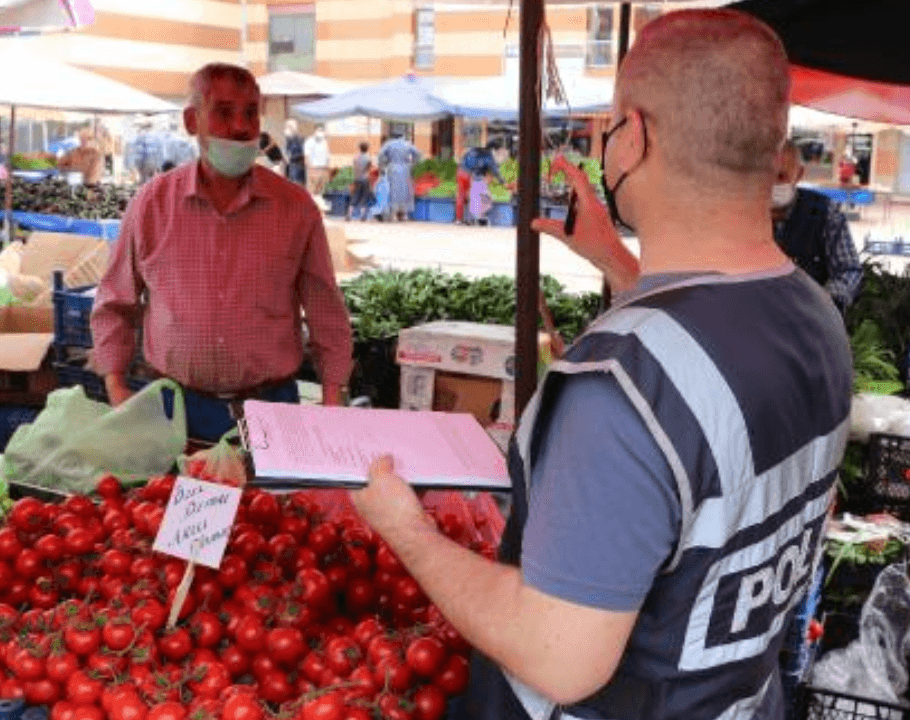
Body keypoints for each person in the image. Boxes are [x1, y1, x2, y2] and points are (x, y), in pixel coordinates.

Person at [350, 9, 853, 720]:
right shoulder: (813, 314)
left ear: (635, 138)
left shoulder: (619, 392)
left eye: (612, 127)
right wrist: (618, 263)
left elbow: (561, 658)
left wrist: (407, 531)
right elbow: (712, 365)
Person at [91, 62, 353, 441]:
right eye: (224, 112)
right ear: (191, 120)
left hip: (271, 408)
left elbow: (325, 308)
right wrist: (116, 386)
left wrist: (332, 398)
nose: (242, 127)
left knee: (269, 503)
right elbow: (115, 302)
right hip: (174, 409)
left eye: (251, 113)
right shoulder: (151, 204)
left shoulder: (296, 208)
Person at [772, 140, 864, 313]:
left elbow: (849, 270)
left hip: (809, 319)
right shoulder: (744, 212)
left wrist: (824, 302)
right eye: (766, 176)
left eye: (781, 177)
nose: (772, 185)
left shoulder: (825, 211)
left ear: (798, 175)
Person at [457, 140, 505, 224]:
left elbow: (463, 160)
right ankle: (474, 217)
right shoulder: (488, 155)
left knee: (464, 196)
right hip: (472, 176)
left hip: (462, 172)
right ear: (493, 149)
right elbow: (494, 169)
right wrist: (502, 181)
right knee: (478, 196)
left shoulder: (472, 151)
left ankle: (461, 219)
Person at [378, 133, 422, 222]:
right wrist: (413, 163)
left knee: (392, 191)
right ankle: (403, 214)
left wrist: (384, 164)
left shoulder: (389, 144)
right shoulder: (407, 143)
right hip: (405, 168)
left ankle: (392, 214)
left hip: (392, 168)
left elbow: (380, 155)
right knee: (405, 191)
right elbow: (418, 153)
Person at [348, 141, 374, 221]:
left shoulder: (356, 157)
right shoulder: (368, 157)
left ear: (360, 148)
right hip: (365, 179)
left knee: (355, 197)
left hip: (357, 179)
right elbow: (369, 168)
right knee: (364, 197)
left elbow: (355, 166)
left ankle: (349, 215)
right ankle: (363, 216)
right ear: (367, 149)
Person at [304, 125, 331, 195]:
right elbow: (306, 157)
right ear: (315, 131)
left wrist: (327, 169)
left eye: (322, 130)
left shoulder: (324, 142)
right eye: (319, 130)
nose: (320, 132)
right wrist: (310, 169)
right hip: (314, 169)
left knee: (322, 192)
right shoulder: (309, 141)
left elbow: (327, 156)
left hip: (323, 169)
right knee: (312, 191)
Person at [284, 119, 306, 185]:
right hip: (290, 167)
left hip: (298, 166)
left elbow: (302, 153)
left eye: (289, 127)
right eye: (286, 127)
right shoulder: (288, 139)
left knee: (297, 185)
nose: (286, 129)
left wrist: (291, 157)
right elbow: (287, 151)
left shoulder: (300, 139)